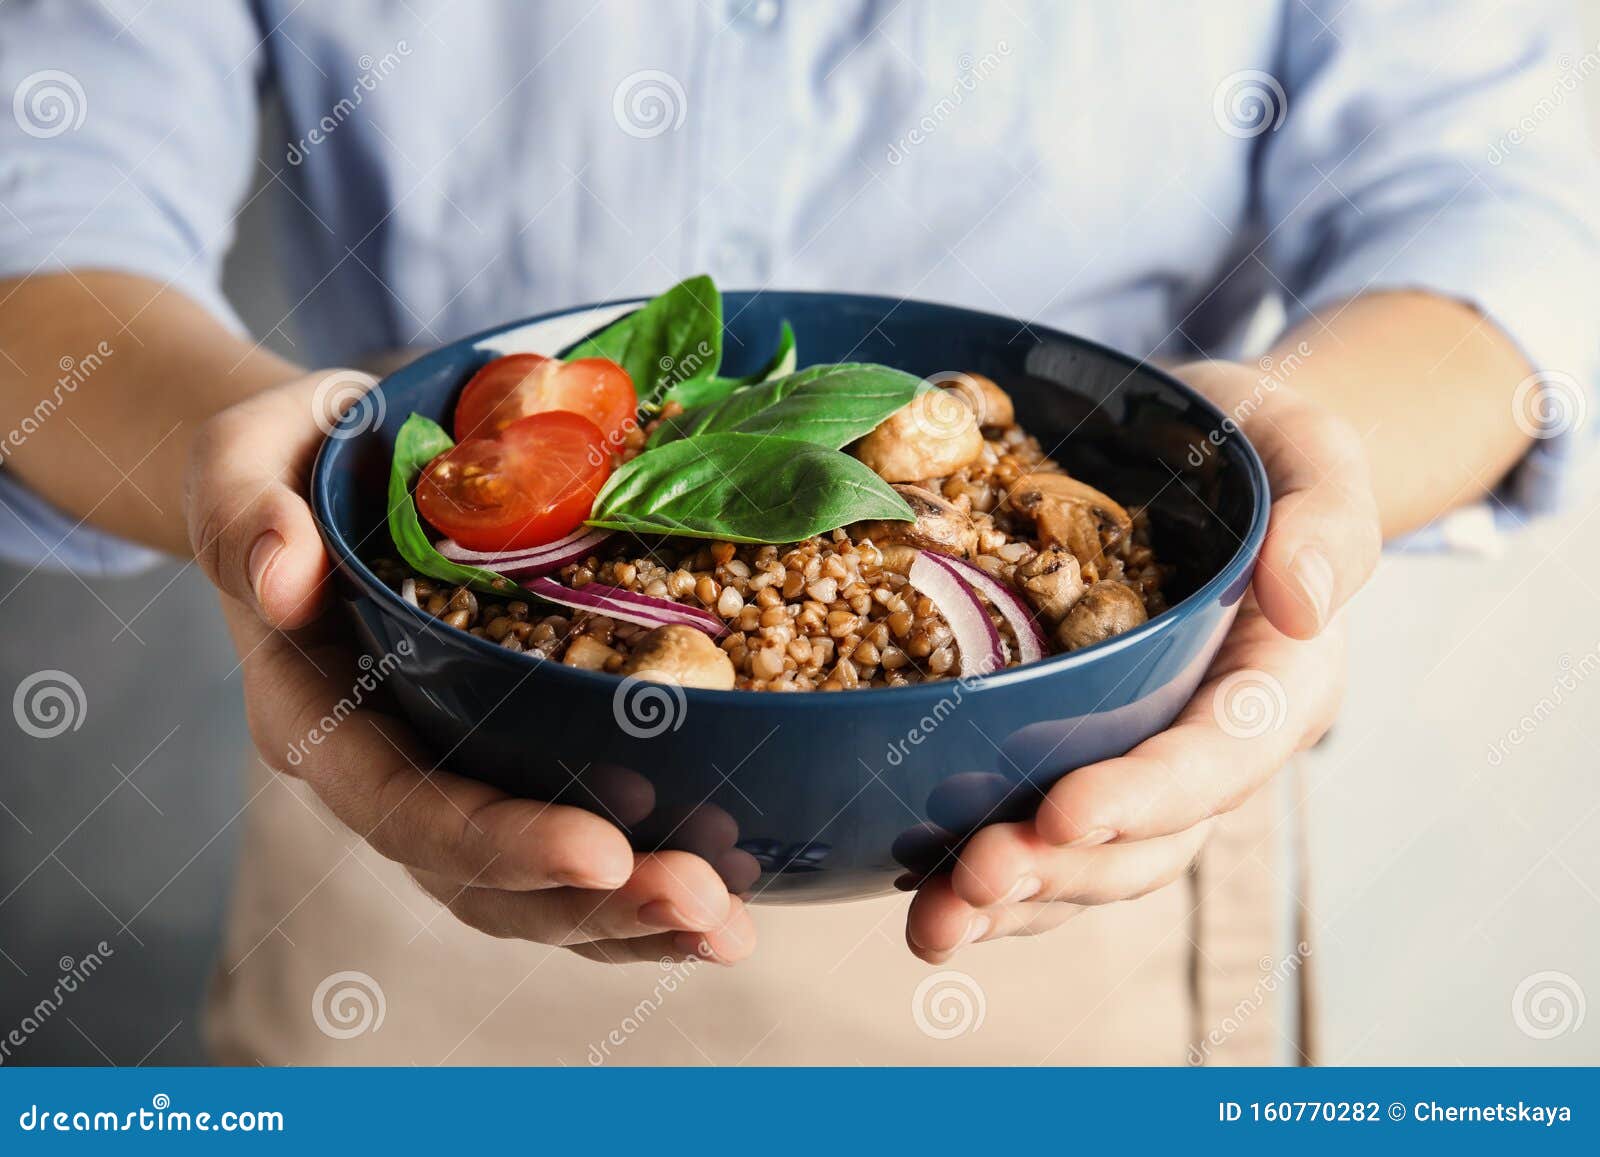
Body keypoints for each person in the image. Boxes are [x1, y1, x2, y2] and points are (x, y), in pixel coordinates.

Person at [0, 1, 1594, 1065]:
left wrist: (1305, 460)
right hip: (423, 770)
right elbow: (41, 197)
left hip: (1084, 845)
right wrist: (269, 474)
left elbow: (1486, 205)